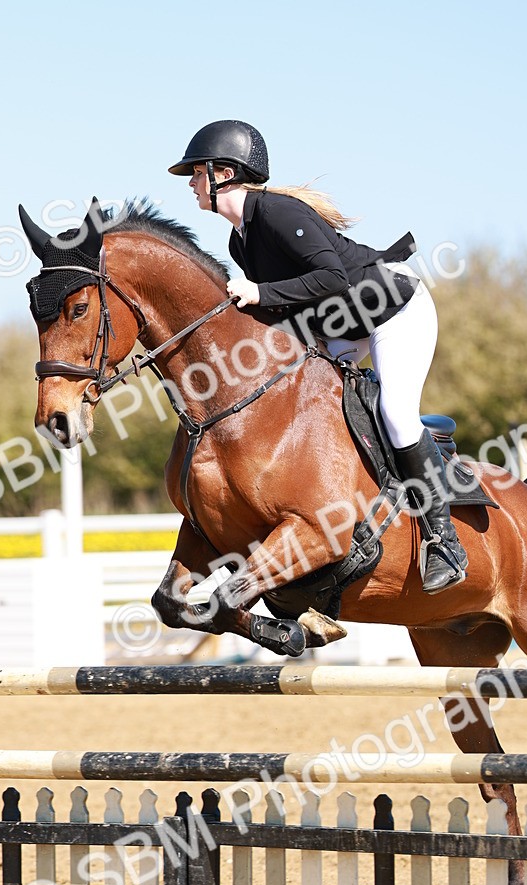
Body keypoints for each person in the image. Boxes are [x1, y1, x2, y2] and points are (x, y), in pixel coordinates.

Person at [168, 119, 467, 594]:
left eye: (195, 174)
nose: (190, 185)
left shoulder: (278, 213)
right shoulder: (238, 239)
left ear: (223, 171)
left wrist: (260, 291)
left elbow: (333, 279)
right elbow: (290, 307)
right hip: (339, 327)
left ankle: (443, 541)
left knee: (395, 413)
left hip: (390, 308)